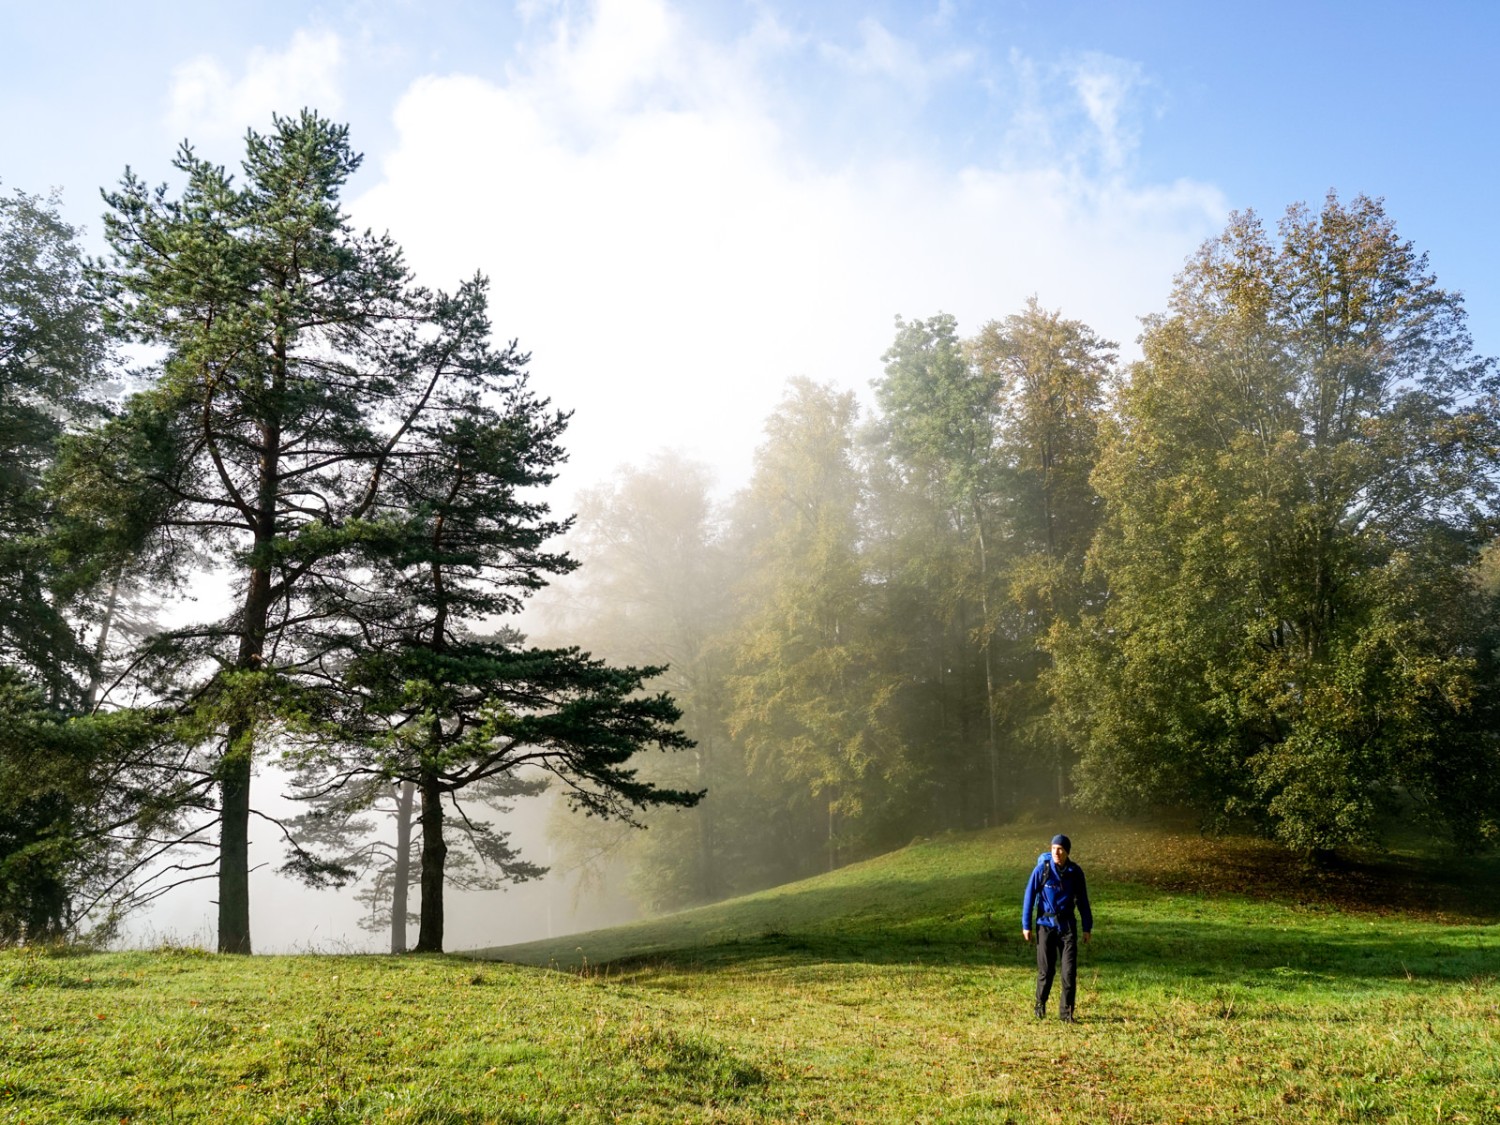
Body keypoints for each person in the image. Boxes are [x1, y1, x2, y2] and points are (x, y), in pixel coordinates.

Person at [1021, 833, 1093, 1022]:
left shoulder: (1075, 873)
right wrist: (1026, 926)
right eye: (1053, 848)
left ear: (1067, 852)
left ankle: (1066, 1014)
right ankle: (1040, 1003)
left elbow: (1083, 900)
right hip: (1045, 926)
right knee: (1047, 970)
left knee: (1069, 972)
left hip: (1067, 927)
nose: (1056, 852)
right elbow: (1029, 897)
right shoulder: (1042, 870)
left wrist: (1087, 927)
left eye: (1060, 849)